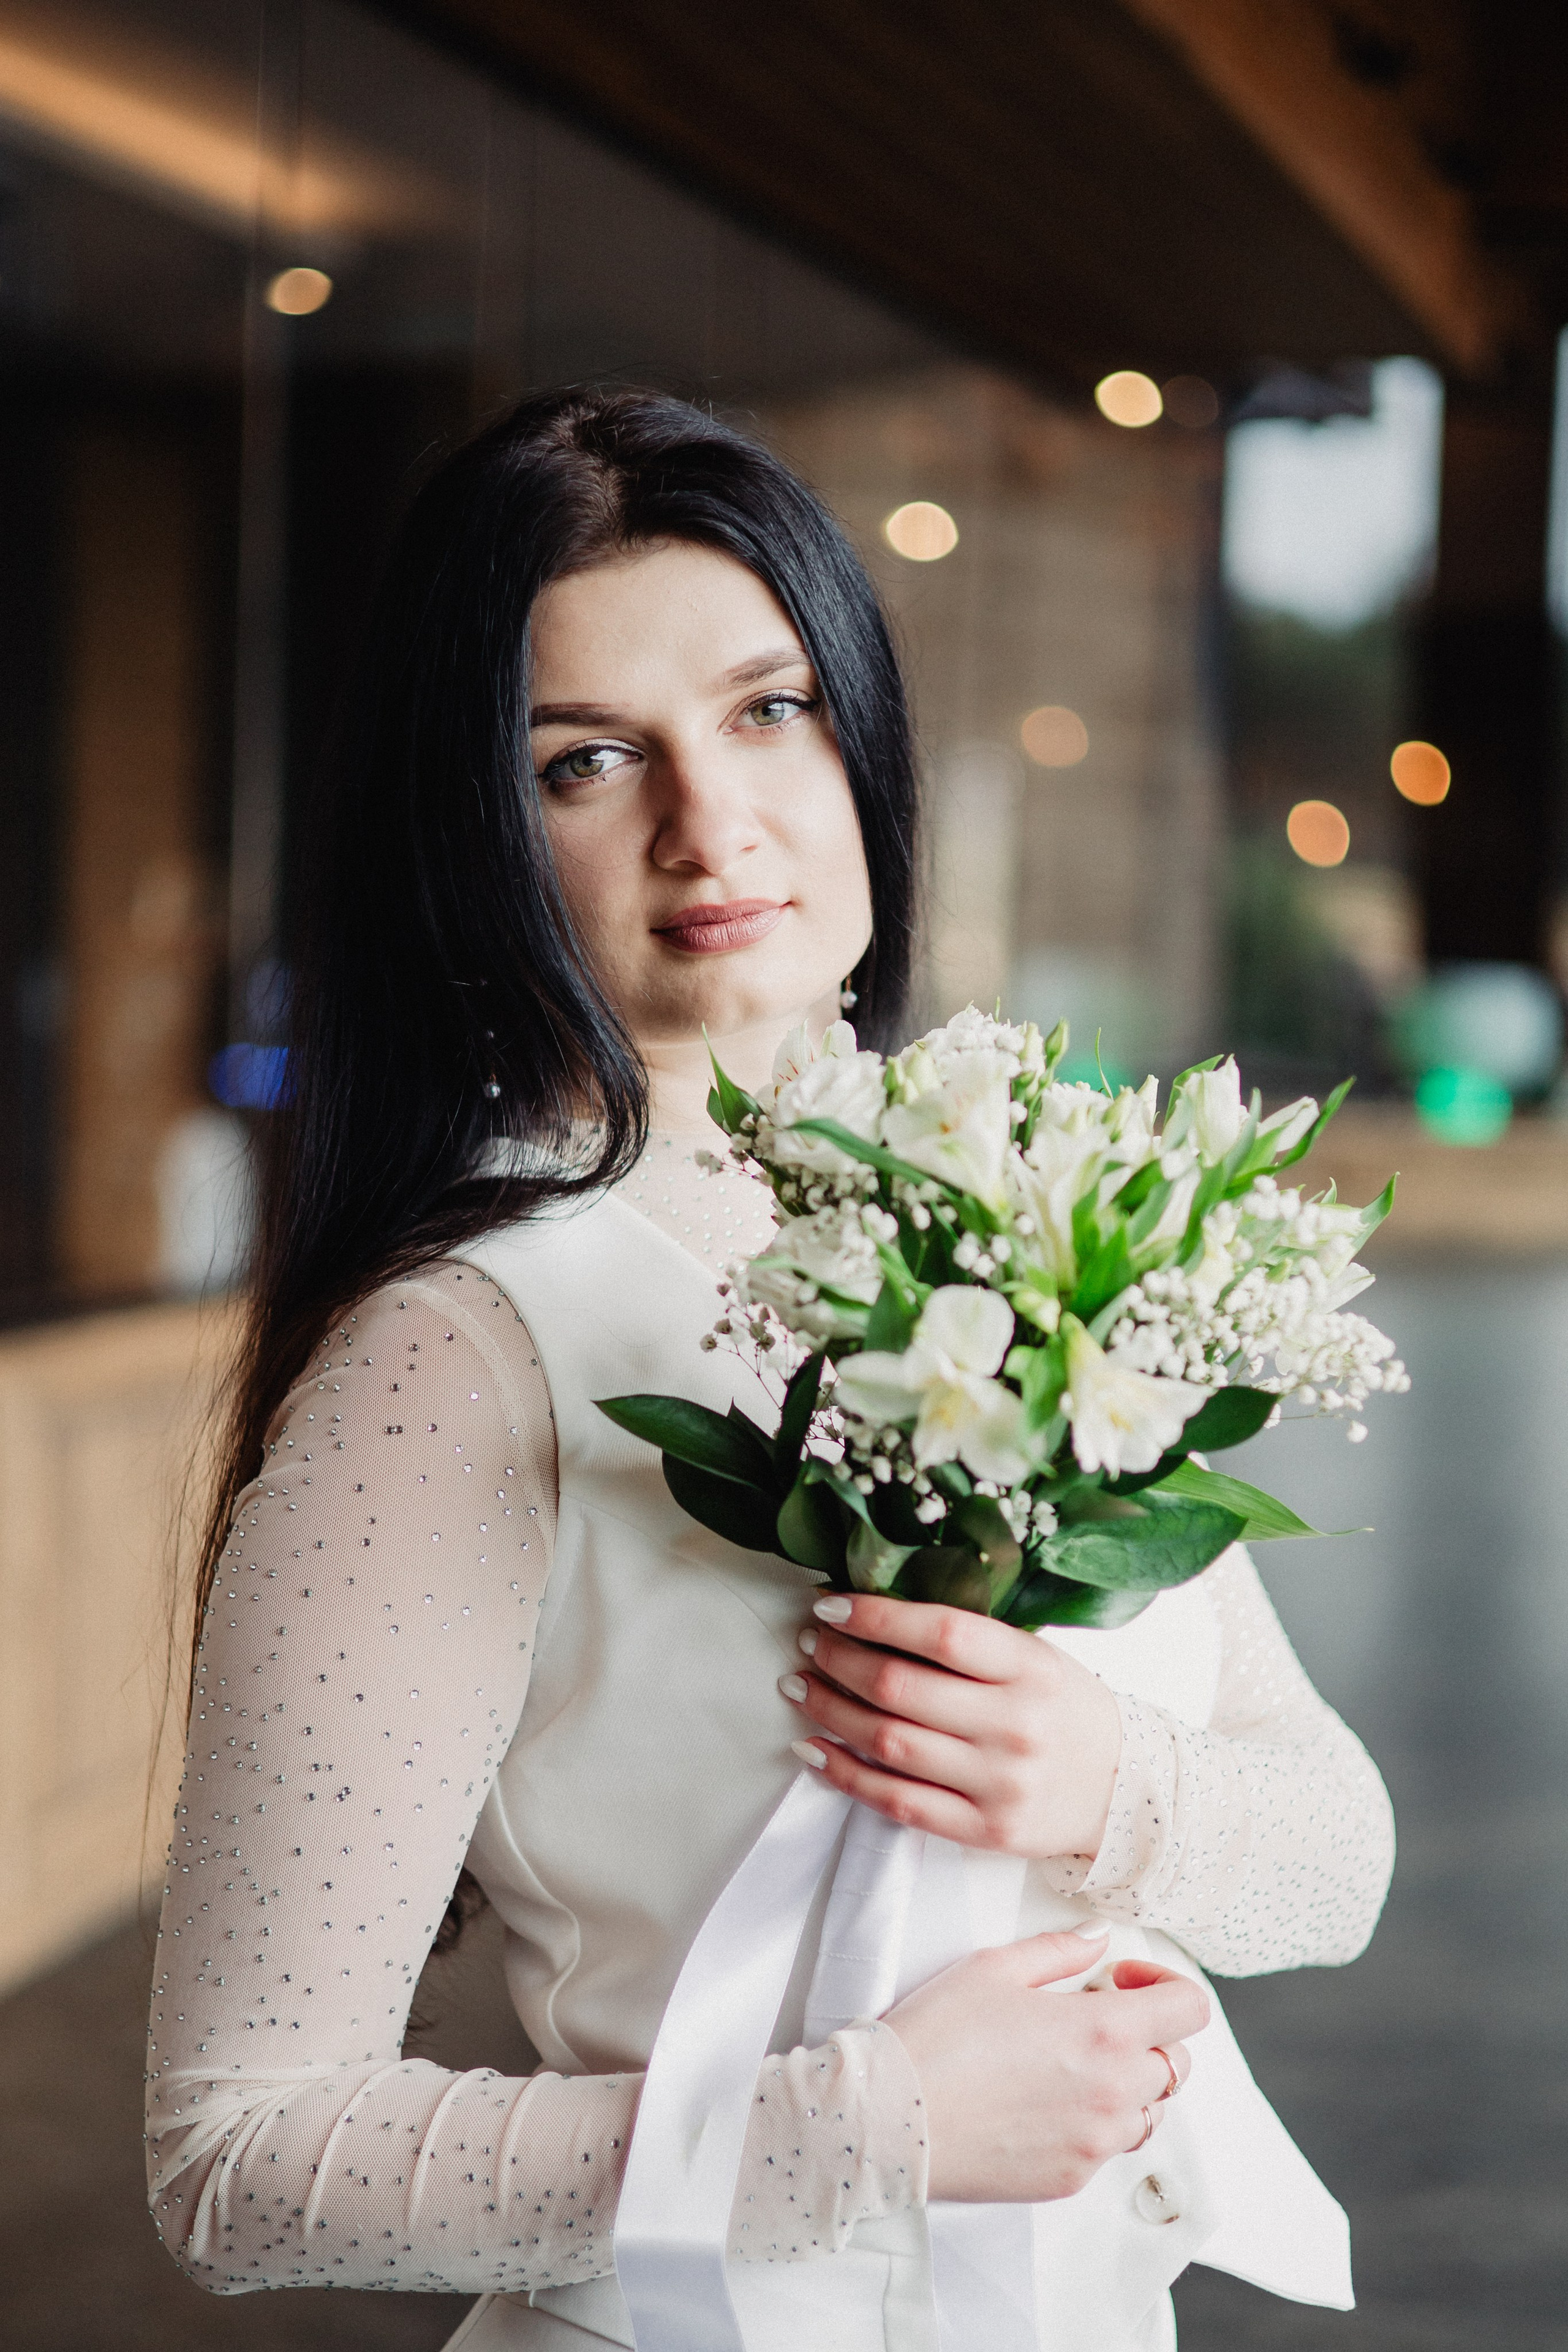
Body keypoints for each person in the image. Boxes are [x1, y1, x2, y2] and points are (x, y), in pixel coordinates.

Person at [145, 387, 1395, 2351]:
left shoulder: (1029, 1224)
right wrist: (871, 2125)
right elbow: (240, 2161)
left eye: (767, 710)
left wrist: (1104, 1786)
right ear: (470, 832)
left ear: (860, 735)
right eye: (583, 760)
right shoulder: (456, 1354)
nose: (709, 824)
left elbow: (1336, 1855)